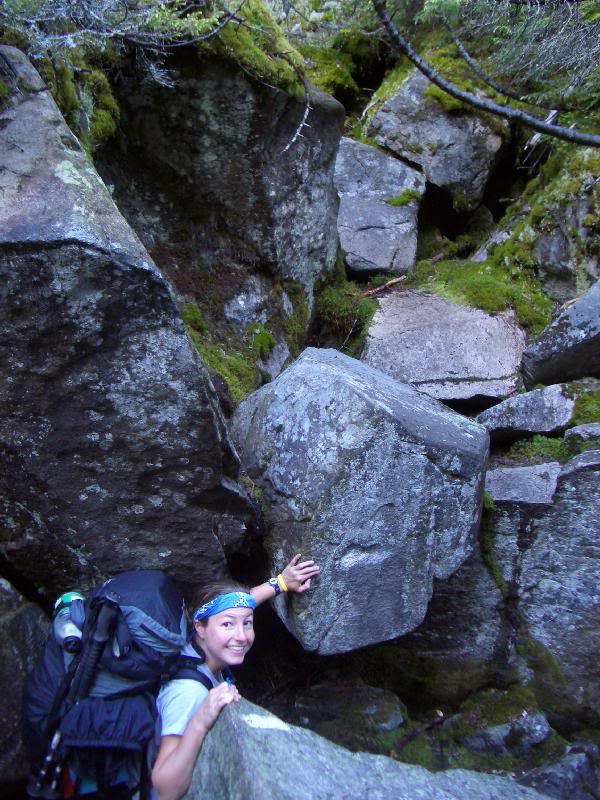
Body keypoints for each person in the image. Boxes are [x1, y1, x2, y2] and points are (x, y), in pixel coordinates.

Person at [151, 554, 319, 800]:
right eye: (228, 625)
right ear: (200, 627)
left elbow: (239, 605)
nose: (241, 636)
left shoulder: (196, 643)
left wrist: (280, 583)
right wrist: (201, 721)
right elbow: (164, 789)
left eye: (247, 623)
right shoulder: (188, 693)